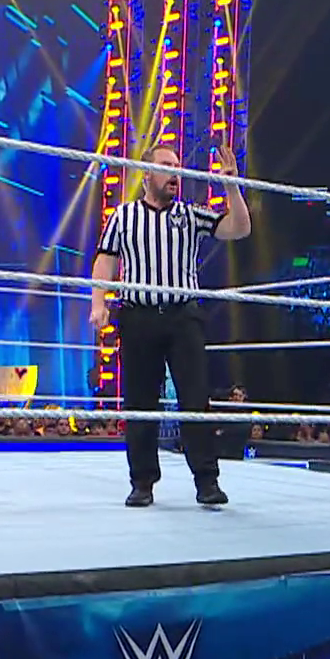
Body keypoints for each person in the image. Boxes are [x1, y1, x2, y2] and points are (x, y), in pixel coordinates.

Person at [91, 143, 253, 508]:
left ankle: (207, 481)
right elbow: (105, 260)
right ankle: (142, 482)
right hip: (138, 316)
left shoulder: (190, 214)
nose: (175, 173)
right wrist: (98, 302)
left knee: (195, 400)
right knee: (140, 402)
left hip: (183, 317)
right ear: (147, 173)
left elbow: (240, 229)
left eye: (178, 166)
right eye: (167, 165)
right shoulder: (123, 216)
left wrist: (231, 186)